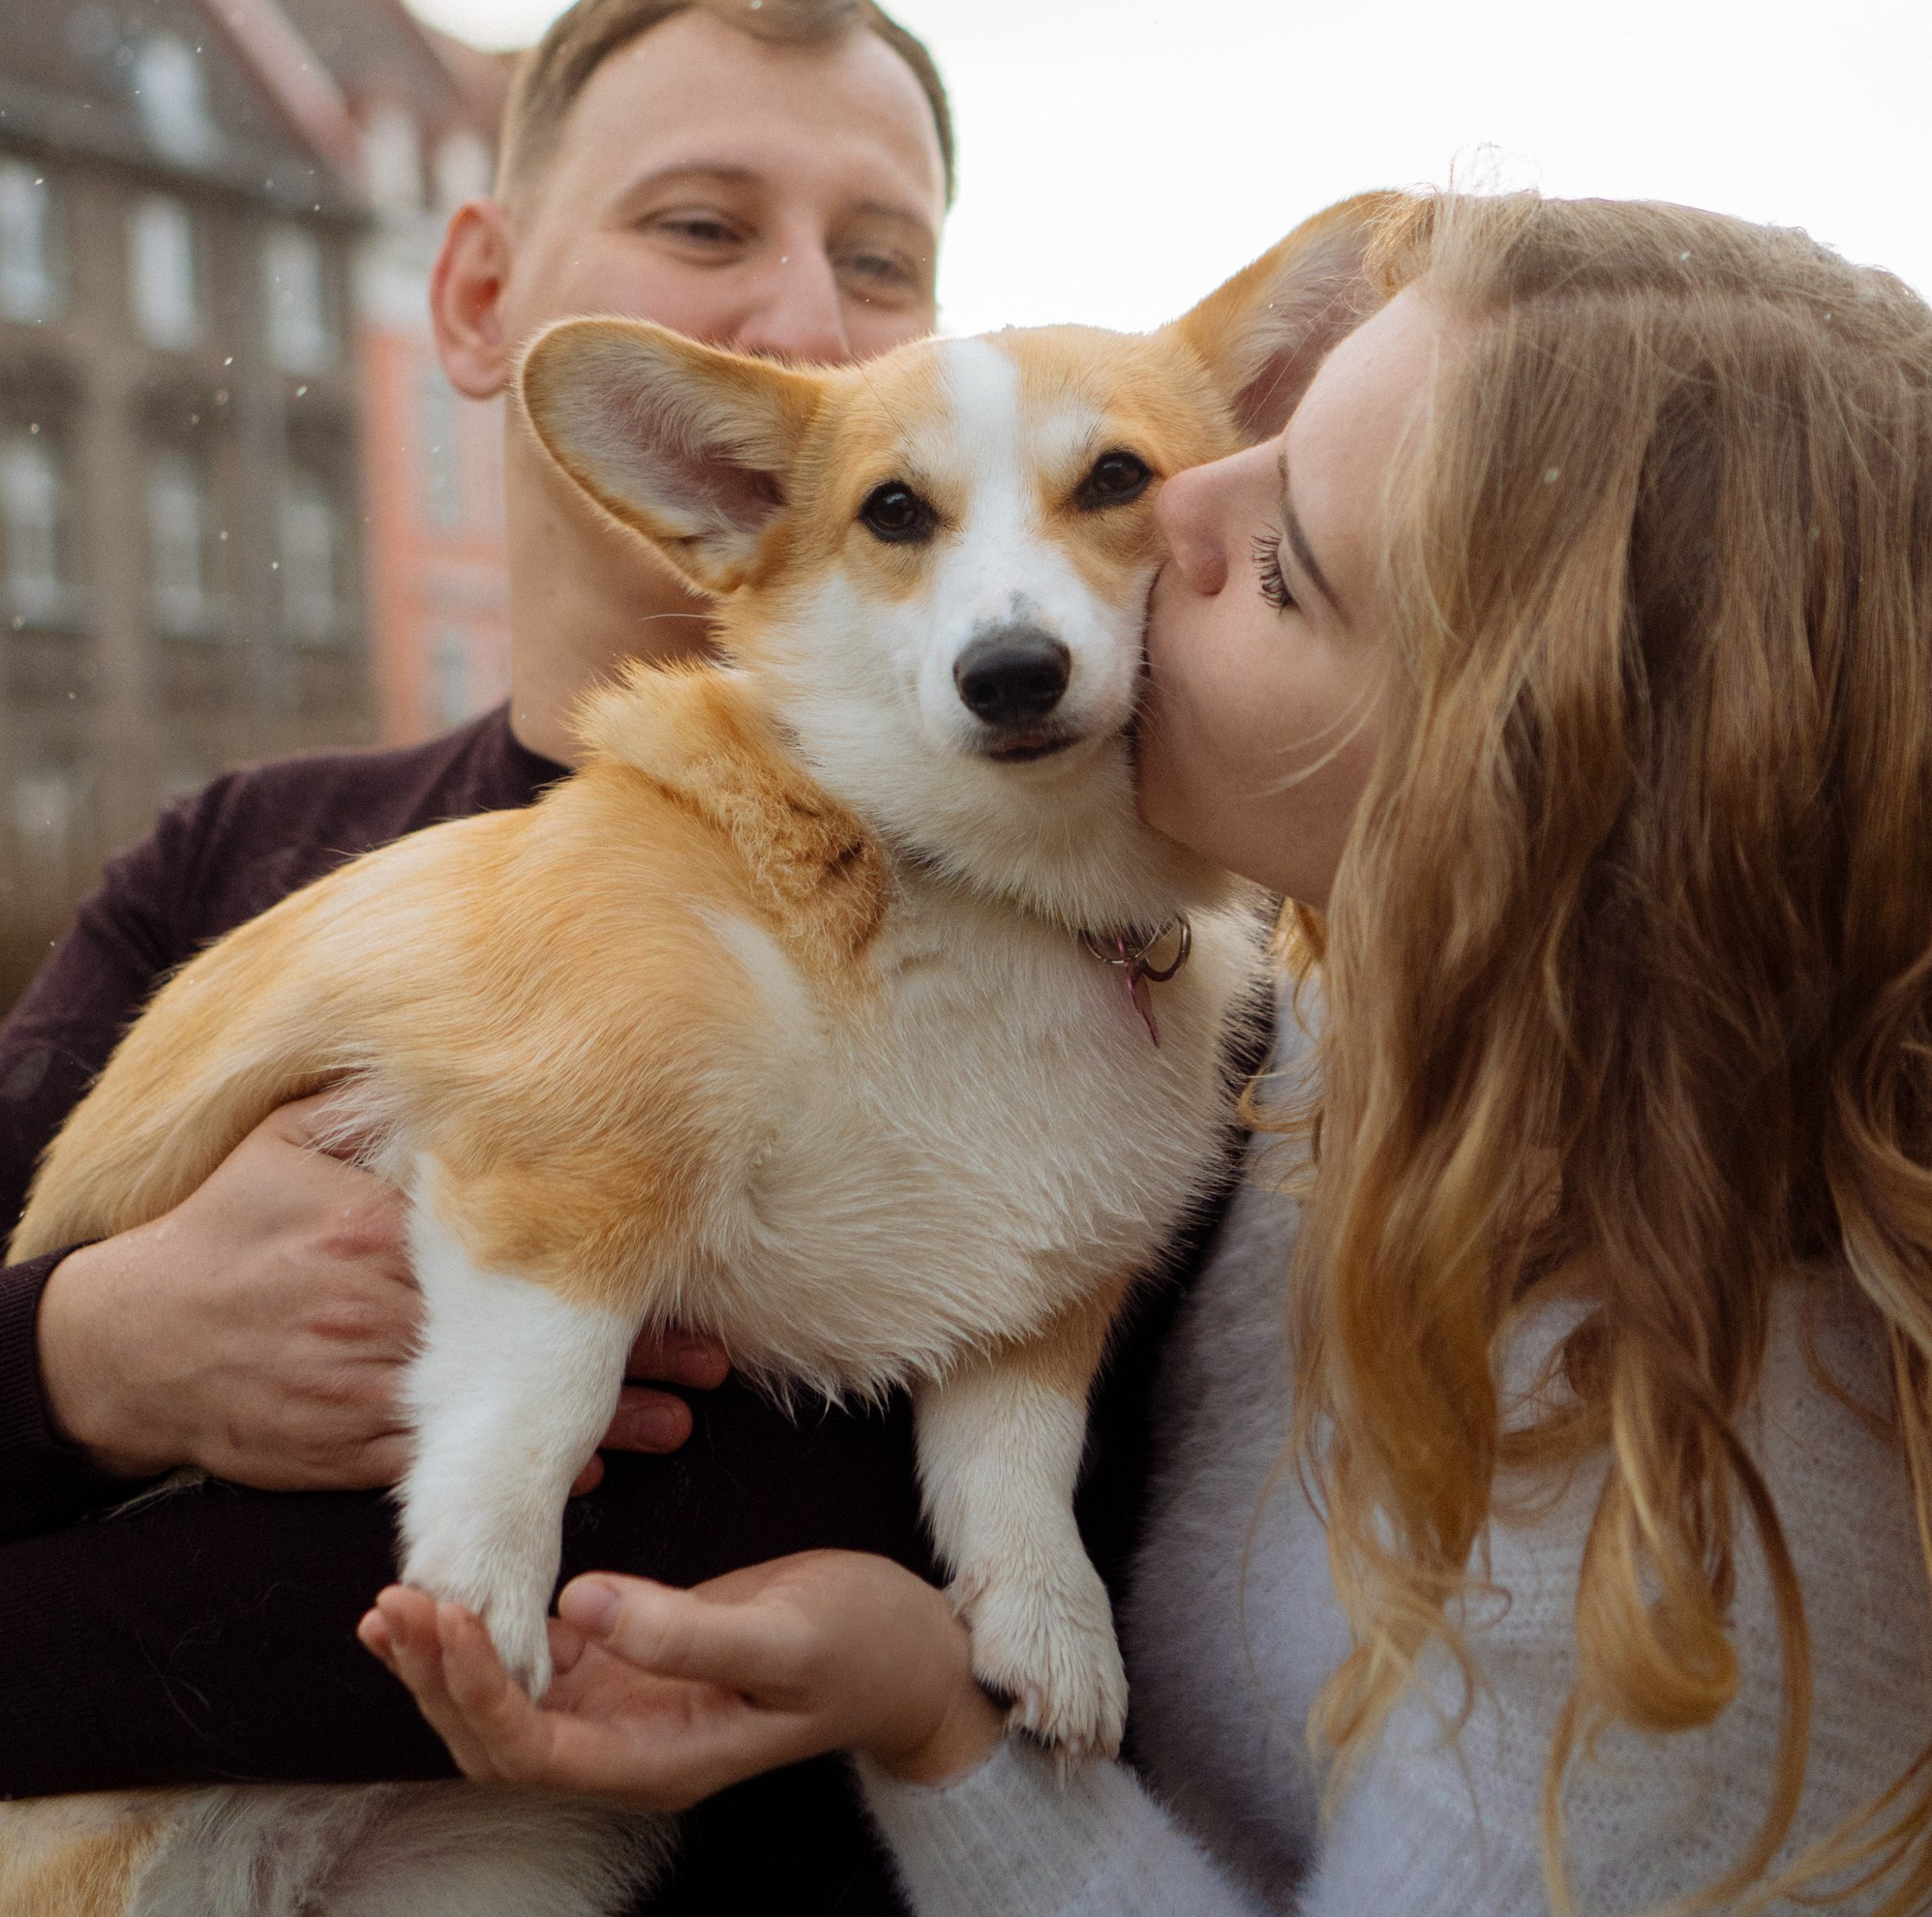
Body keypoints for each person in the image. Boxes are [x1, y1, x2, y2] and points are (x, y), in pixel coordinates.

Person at [373, 190, 1932, 1915]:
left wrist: (929, 1722)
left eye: (1281, 560)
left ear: (1520, 757)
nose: (1177, 499)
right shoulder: (1328, 1040)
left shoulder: (1714, 1494)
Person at [0, 0, 1016, 1908]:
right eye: (704, 223)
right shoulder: (242, 855)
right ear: (477, 298)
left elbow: (777, 1545)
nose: (803, 315)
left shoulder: (1023, 904)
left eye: (882, 263)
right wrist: (98, 1352)